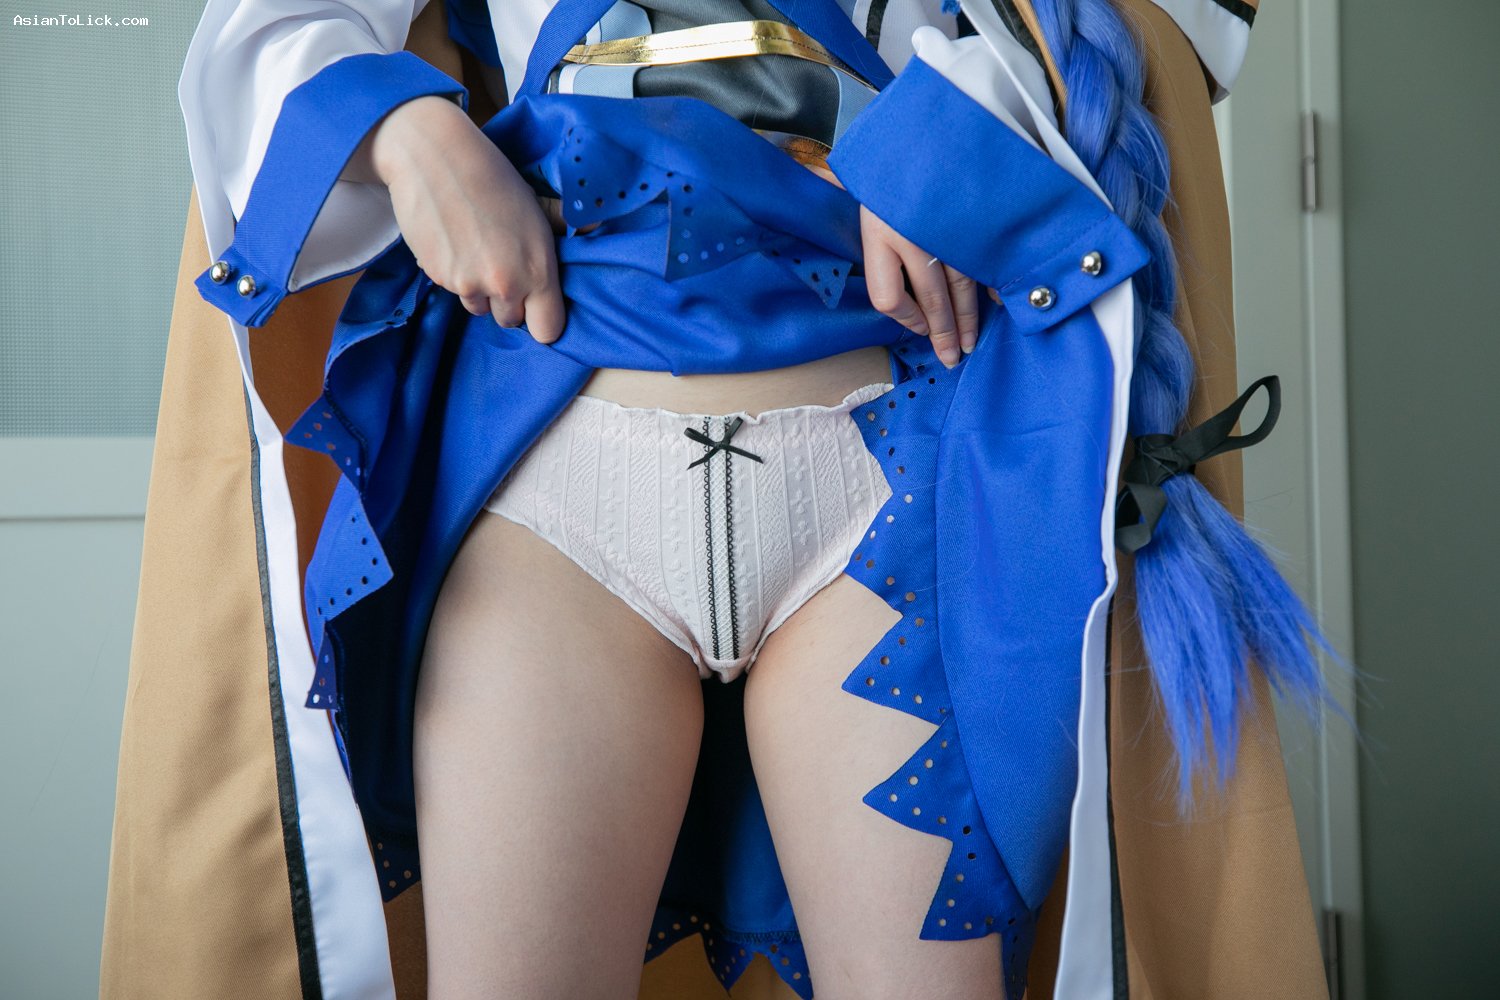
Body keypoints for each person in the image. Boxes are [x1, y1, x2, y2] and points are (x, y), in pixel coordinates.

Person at [101, 2, 1346, 998]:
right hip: (551, 492)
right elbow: (270, 28)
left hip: (892, 482)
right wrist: (406, 131)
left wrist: (974, 111)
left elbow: (1154, 34)